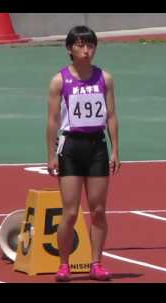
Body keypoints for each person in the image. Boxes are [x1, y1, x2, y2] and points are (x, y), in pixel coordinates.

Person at [46, 25, 120, 282]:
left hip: (97, 146)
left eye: (90, 45)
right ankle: (64, 264)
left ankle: (96, 263)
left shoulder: (105, 78)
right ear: (69, 49)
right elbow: (53, 120)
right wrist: (51, 154)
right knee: (70, 212)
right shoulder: (60, 80)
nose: (86, 51)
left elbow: (111, 115)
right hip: (71, 147)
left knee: (98, 210)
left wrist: (115, 151)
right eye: (80, 45)